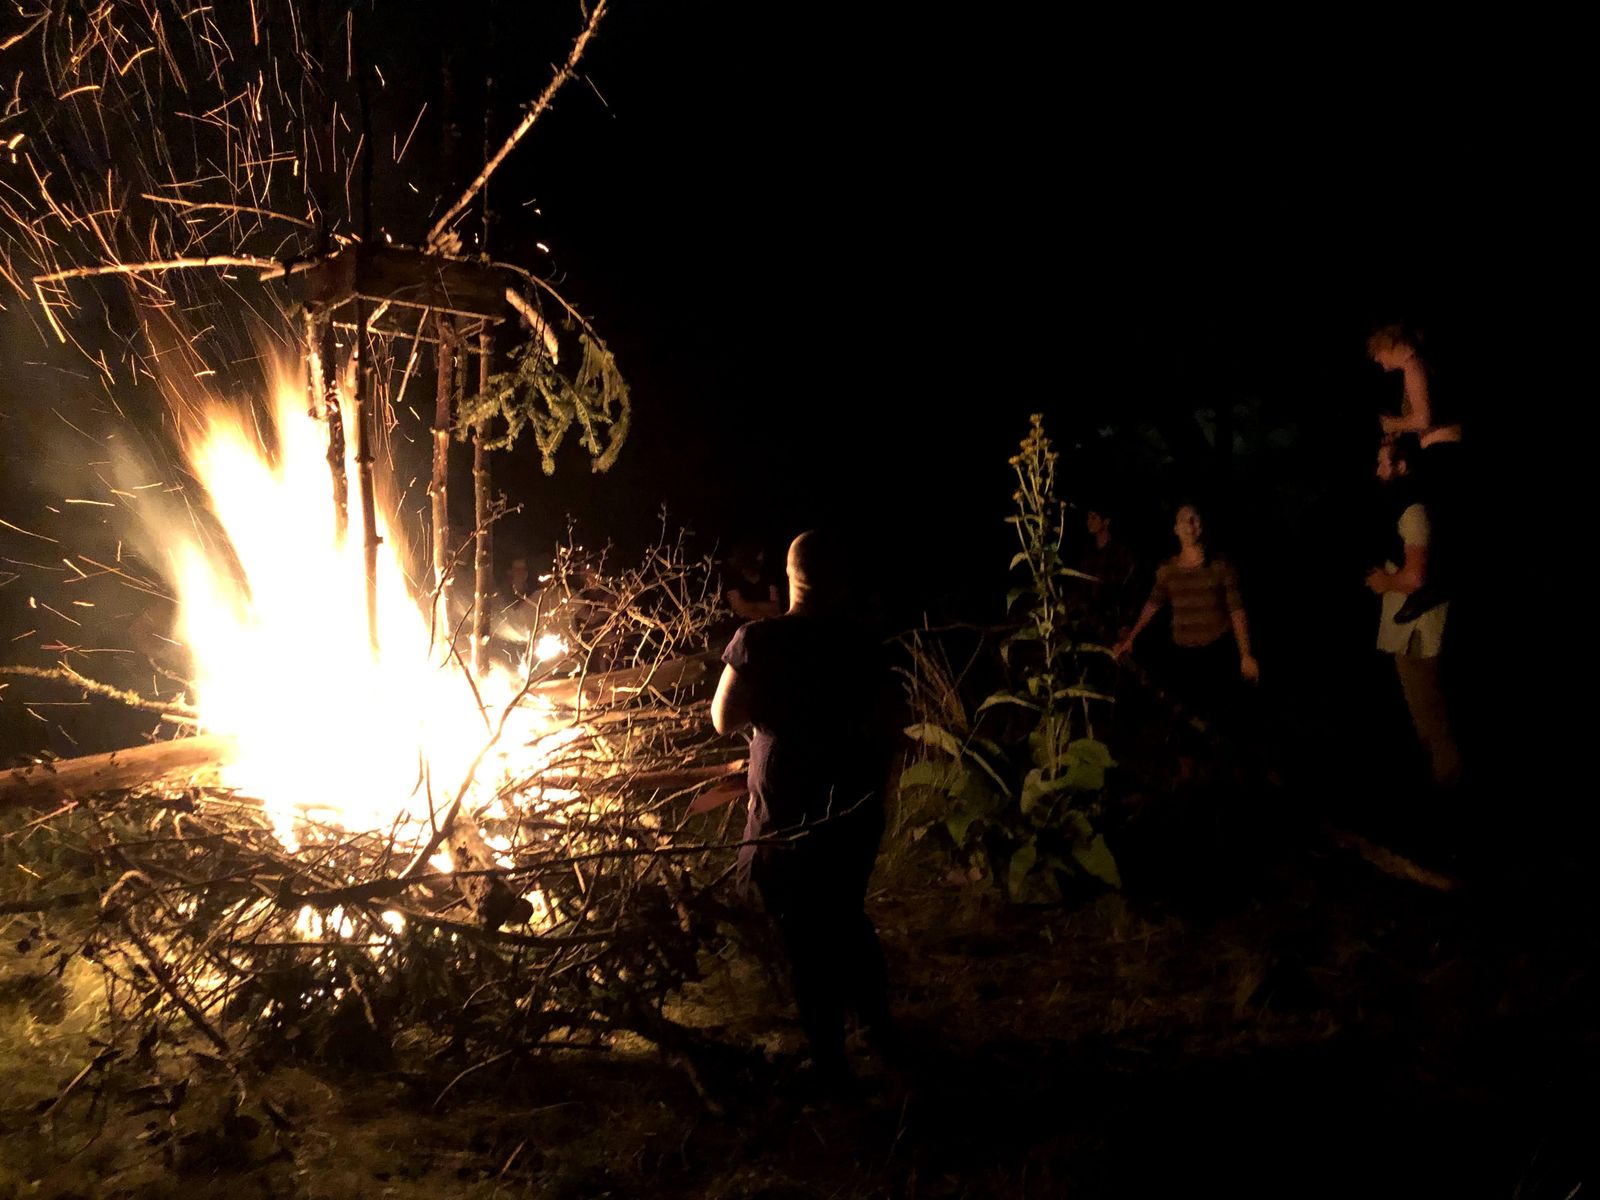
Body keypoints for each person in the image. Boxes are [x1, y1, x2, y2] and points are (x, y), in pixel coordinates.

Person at [711, 530, 895, 1084]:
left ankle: (831, 1063)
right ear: (840, 581)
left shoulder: (759, 640)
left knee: (803, 933)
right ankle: (879, 1030)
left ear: (790, 577)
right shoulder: (863, 642)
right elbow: (888, 722)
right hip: (852, 804)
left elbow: (723, 718)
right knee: (845, 913)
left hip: (786, 809)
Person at [1112, 504, 1258, 766]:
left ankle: (1226, 769)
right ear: (1176, 529)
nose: (1190, 526)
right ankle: (1187, 771)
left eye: (1195, 520)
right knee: (1184, 717)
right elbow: (1152, 605)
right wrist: (1131, 638)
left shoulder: (1220, 566)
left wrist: (1245, 654)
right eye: (1184, 521)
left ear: (1201, 526)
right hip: (1184, 654)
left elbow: (1237, 610)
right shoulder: (1168, 570)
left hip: (1216, 650)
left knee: (1222, 717)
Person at [1366, 439, 1460, 790]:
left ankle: (1449, 788)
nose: (1378, 471)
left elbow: (1415, 576)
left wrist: (1384, 582)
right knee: (1425, 721)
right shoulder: (1406, 508)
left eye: (1383, 463)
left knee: (1432, 722)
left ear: (1401, 466)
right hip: (1411, 632)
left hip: (1418, 635)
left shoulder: (1413, 512)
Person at [1367, 322, 1463, 622]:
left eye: (1379, 357)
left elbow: (1424, 418)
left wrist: (1393, 424)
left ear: (1389, 346)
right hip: (1443, 449)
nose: (1381, 364)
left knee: (1437, 515)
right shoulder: (1423, 366)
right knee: (1441, 516)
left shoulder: (1413, 366)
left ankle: (1432, 583)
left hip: (1442, 450)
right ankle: (1432, 583)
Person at [1073, 504, 1140, 645]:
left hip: (1113, 623)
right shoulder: (1087, 553)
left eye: (1094, 517)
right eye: (1088, 518)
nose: (1089, 522)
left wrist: (1125, 624)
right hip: (1090, 623)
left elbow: (1130, 590)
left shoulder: (1121, 553)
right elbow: (1081, 588)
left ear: (1106, 521)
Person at [722, 542, 783, 622]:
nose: (761, 559)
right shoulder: (733, 581)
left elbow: (776, 608)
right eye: (759, 556)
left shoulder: (768, 578)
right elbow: (741, 610)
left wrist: (748, 606)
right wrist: (766, 609)